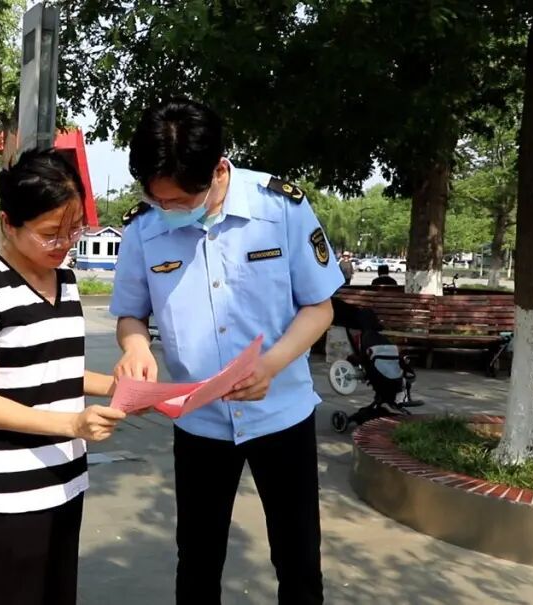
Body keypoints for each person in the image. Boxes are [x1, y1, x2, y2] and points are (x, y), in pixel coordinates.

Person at [109, 99, 343, 605]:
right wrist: (135, 347)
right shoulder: (144, 228)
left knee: (299, 562)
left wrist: (270, 366)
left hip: (281, 412)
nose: (168, 210)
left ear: (218, 169)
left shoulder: (280, 208)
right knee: (197, 561)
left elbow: (320, 307)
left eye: (180, 200)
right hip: (200, 422)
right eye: (156, 198)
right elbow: (131, 314)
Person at [0, 147, 126, 605]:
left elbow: (59, 370)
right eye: (50, 233)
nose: (64, 243)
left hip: (67, 478)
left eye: (74, 230)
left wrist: (125, 389)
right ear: (8, 223)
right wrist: (73, 423)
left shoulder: (65, 280)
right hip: (9, 492)